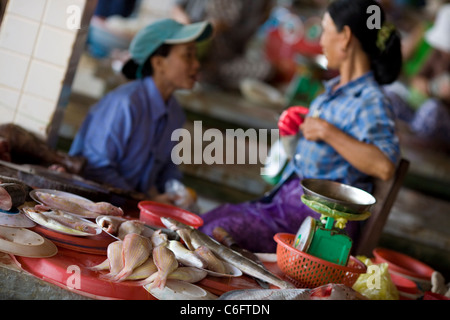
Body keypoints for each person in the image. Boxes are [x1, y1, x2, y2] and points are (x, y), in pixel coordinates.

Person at [199, 0, 402, 253]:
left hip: (317, 225)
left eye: (326, 31)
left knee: (215, 235)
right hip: (283, 207)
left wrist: (327, 131)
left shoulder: (371, 102)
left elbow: (384, 166)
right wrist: (293, 135)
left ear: (346, 37)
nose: (322, 41)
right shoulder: (331, 92)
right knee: (203, 222)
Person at [69, 19, 213, 204]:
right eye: (188, 55)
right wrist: (144, 201)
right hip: (90, 205)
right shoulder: (126, 104)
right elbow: (95, 169)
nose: (196, 64)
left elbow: (167, 168)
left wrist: (176, 192)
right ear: (159, 63)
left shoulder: (175, 113)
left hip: (131, 208)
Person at [384, 4, 450, 150]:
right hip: (418, 111)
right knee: (390, 96)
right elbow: (417, 77)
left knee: (433, 109)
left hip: (439, 121)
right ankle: (408, 135)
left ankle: (412, 143)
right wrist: (427, 86)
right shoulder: (438, 53)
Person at [171, 0, 274, 90]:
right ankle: (198, 71)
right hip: (191, 41)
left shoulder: (259, 3)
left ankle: (206, 73)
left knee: (268, 70)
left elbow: (246, 34)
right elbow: (177, 8)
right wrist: (189, 28)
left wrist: (218, 26)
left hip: (223, 59)